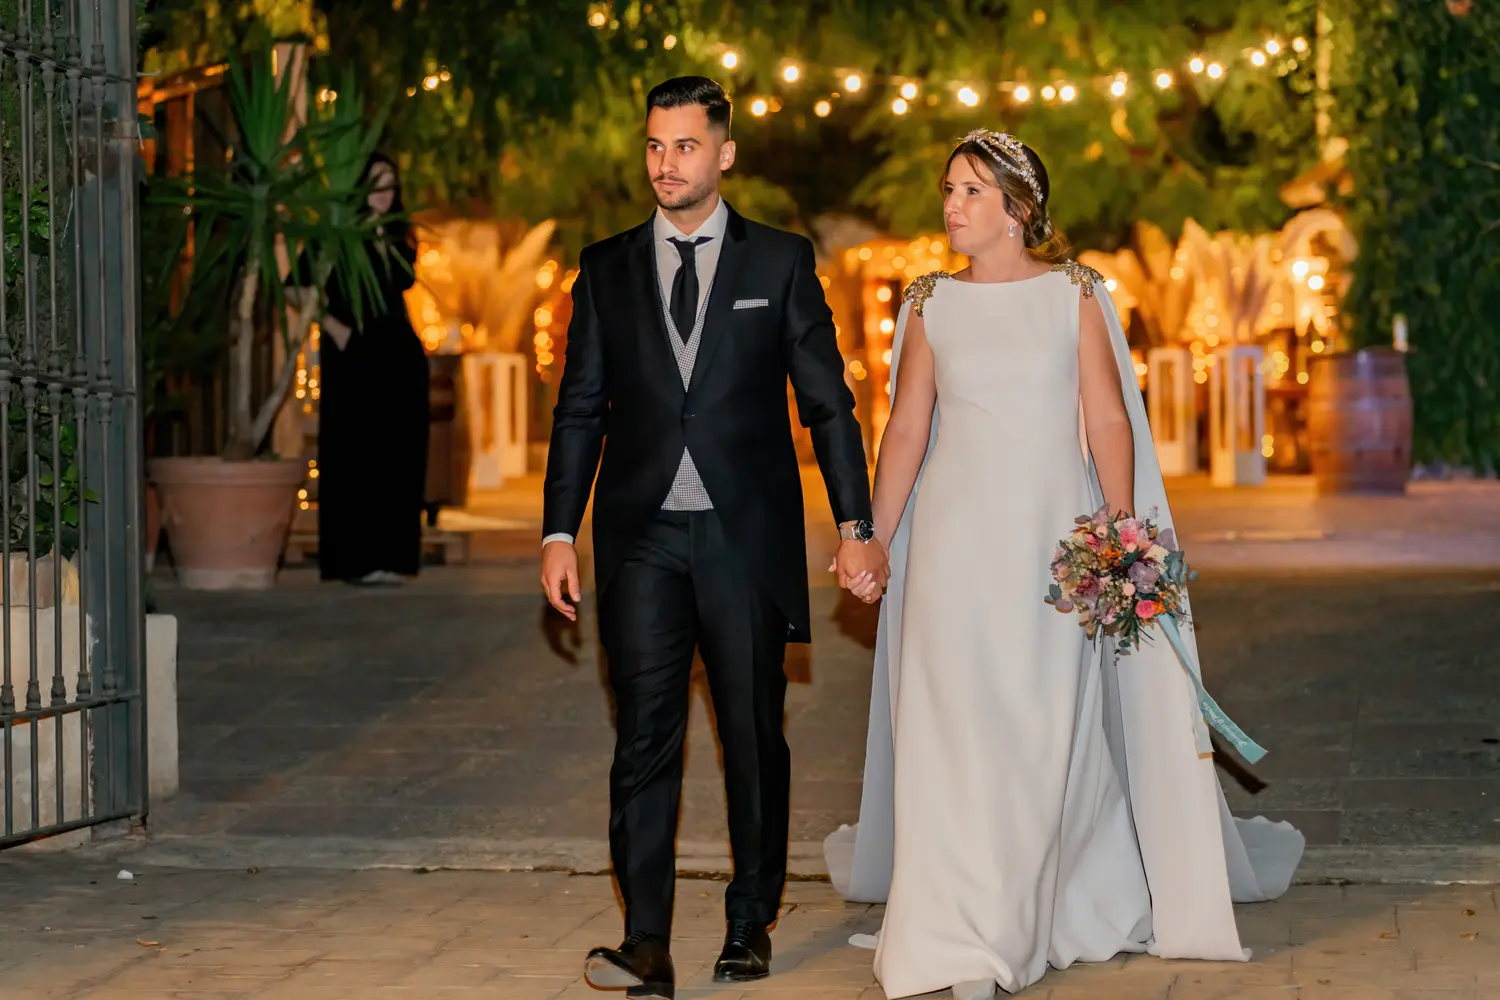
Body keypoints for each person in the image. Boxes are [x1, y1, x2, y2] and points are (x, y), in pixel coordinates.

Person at [822, 131, 1306, 999]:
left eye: (972, 190)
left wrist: (1120, 536)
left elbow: (1108, 419)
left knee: (1042, 725)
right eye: (949, 189)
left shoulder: (1072, 294)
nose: (952, 205)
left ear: (1017, 209)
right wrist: (875, 538)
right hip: (952, 548)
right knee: (949, 726)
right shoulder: (930, 303)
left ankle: (1046, 903)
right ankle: (958, 929)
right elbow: (906, 429)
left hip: (1051, 543)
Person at [539, 77, 882, 999]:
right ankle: (644, 942)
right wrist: (559, 531)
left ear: (724, 154)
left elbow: (828, 404)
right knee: (642, 737)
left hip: (744, 537)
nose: (666, 163)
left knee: (751, 734)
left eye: (685, 146)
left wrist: (856, 526)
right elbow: (580, 409)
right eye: (655, 145)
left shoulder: (780, 262)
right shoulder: (605, 267)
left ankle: (749, 922)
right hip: (641, 537)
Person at [315, 153, 430, 586]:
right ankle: (354, 561)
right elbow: (299, 286)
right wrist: (335, 329)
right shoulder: (338, 233)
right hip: (353, 353)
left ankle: (393, 557)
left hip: (399, 351)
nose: (383, 193)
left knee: (401, 454)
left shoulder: (399, 234)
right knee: (355, 451)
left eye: (390, 184)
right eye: (375, 183)